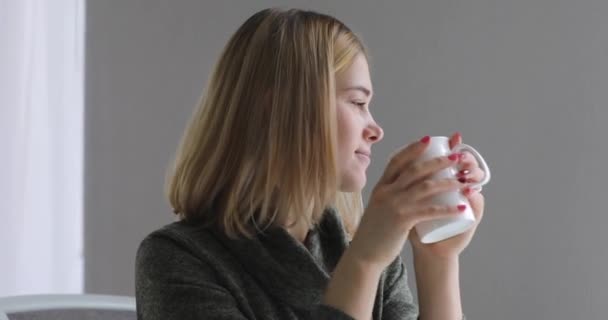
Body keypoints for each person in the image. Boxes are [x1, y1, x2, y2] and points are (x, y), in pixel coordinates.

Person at [135, 7, 485, 320]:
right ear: (281, 111)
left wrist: (437, 260)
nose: (376, 130)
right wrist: (362, 262)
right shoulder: (179, 259)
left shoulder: (373, 252)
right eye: (357, 102)